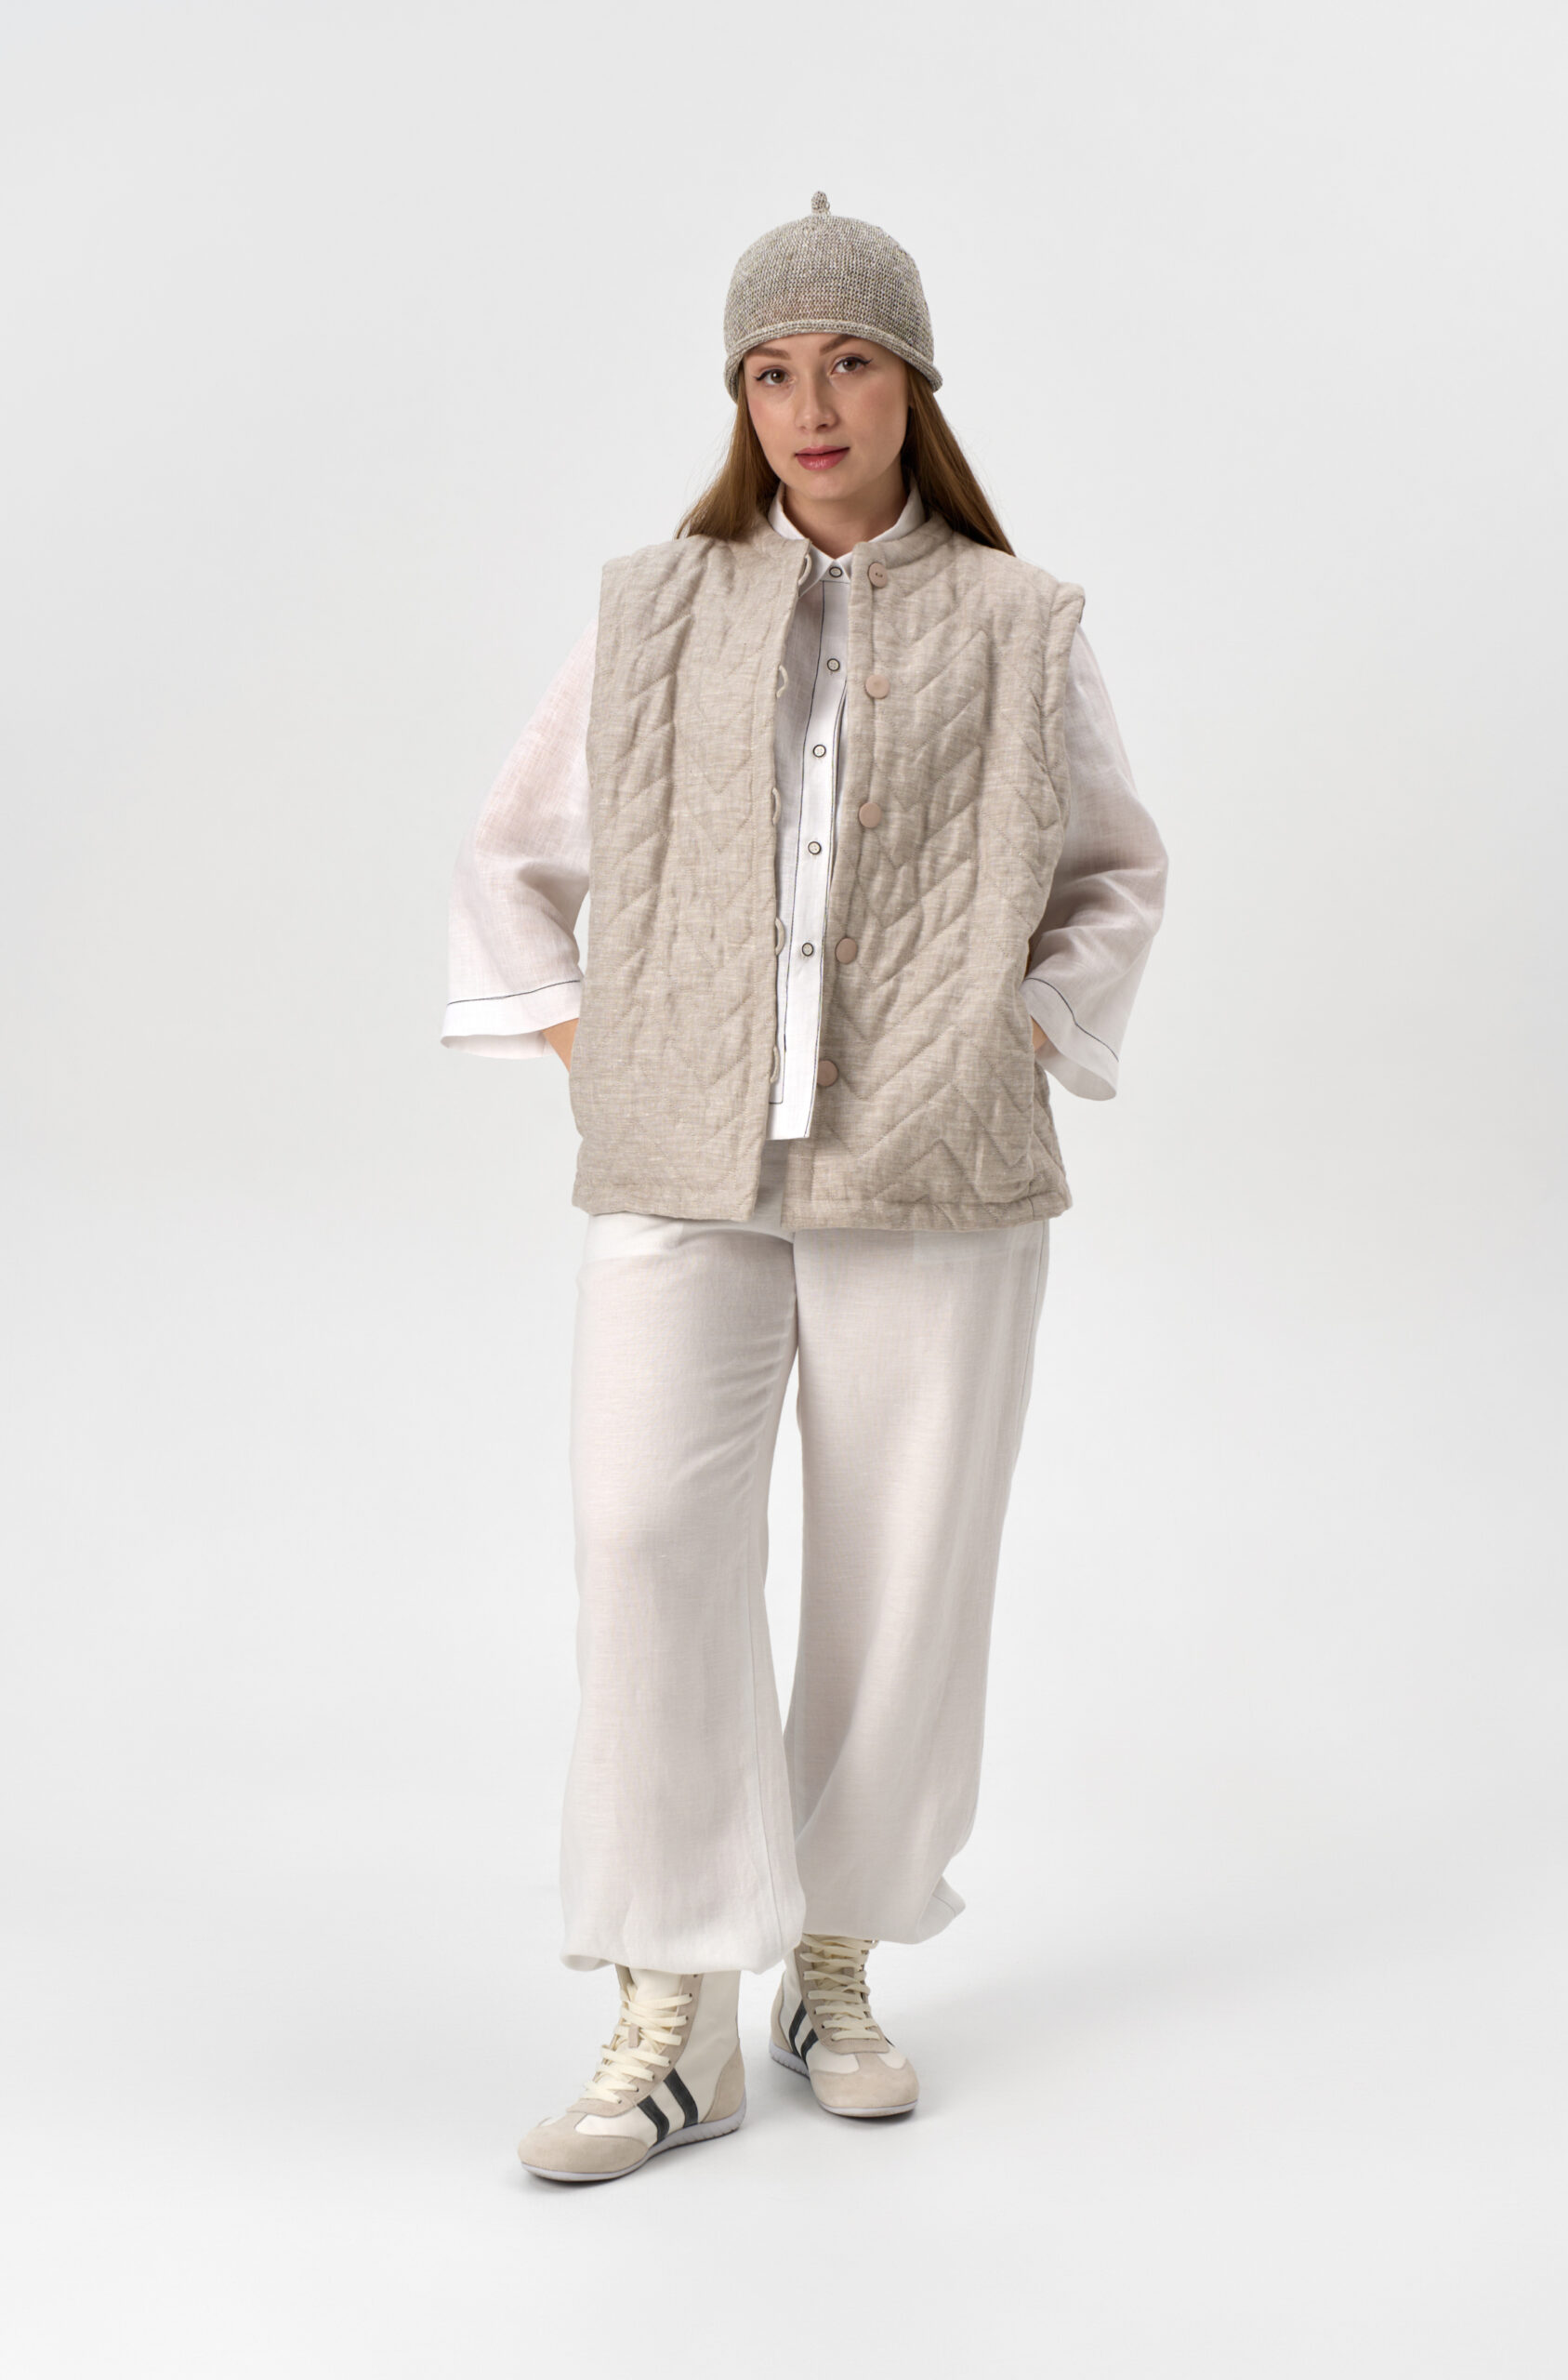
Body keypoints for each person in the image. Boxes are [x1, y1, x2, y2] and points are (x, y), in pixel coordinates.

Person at [442, 192, 1169, 2184]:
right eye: (770, 371)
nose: (809, 403)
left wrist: (1018, 1035)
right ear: (740, 398)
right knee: (640, 1539)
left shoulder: (1020, 621)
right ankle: (669, 2004)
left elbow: (1115, 868)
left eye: (847, 361)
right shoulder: (652, 606)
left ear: (911, 383)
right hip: (681, 1155)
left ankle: (831, 1958)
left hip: (936, 1160)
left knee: (903, 1557)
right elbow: (513, 857)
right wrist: (596, 1047)